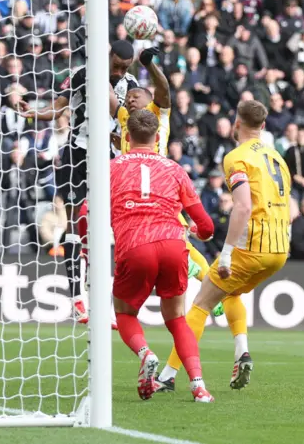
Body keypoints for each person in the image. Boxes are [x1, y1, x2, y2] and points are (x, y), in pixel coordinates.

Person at [159, 100, 290, 391]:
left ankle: (167, 375)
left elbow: (243, 207)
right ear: (264, 126)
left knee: (201, 304)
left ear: (237, 123)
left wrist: (228, 253)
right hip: (279, 250)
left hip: (252, 247)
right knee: (229, 293)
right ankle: (241, 350)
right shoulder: (278, 158)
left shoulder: (236, 157)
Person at [18, 40, 139, 324]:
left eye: (125, 68)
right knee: (72, 222)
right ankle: (76, 298)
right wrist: (32, 112)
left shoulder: (130, 84)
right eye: (117, 66)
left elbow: (129, 122)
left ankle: (103, 301)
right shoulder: (84, 74)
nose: (120, 72)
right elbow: (58, 108)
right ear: (108, 57)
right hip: (78, 152)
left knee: (107, 228)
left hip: (110, 157)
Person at [110, 109, 214, 403]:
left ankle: (146, 354)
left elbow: (86, 211)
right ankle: (199, 387)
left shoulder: (112, 167)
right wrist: (197, 231)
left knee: (126, 313)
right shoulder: (175, 169)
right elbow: (206, 226)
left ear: (127, 138)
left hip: (135, 245)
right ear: (157, 138)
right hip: (172, 245)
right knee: (177, 320)